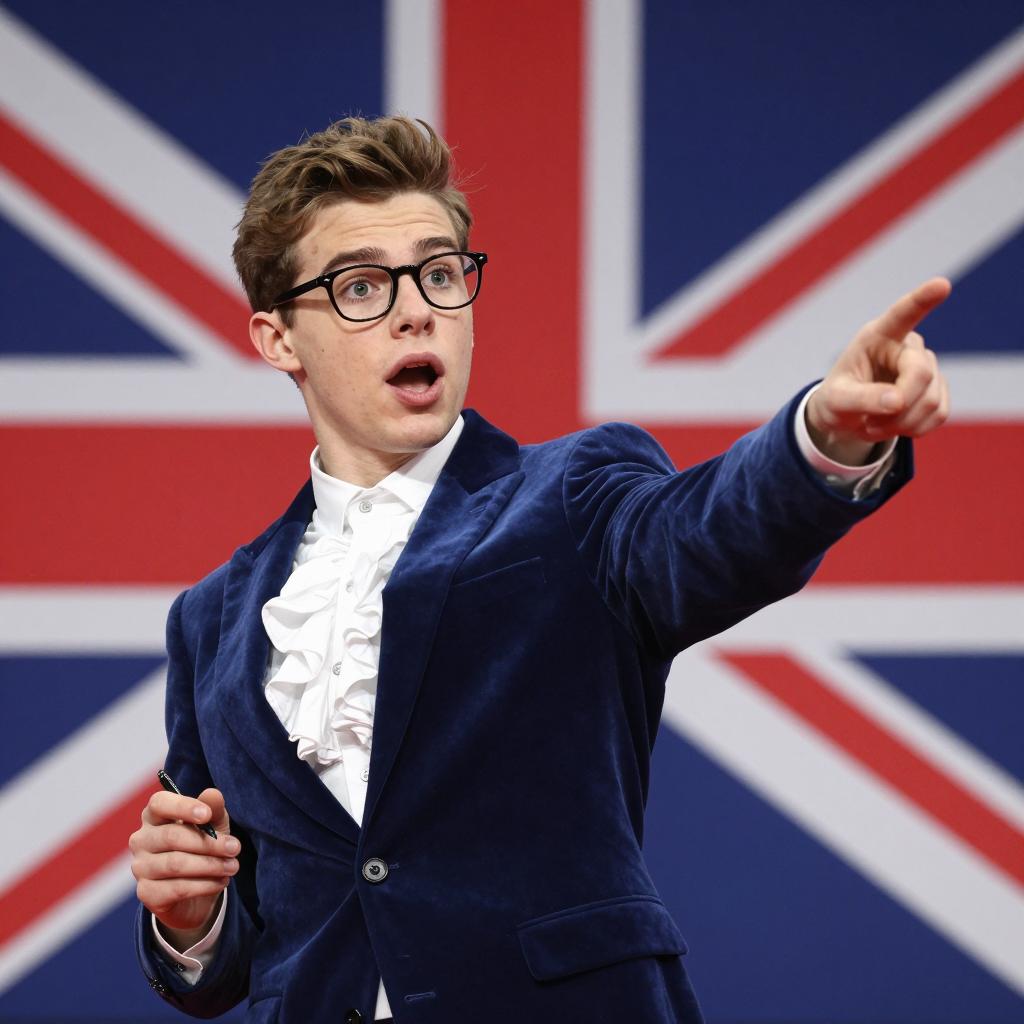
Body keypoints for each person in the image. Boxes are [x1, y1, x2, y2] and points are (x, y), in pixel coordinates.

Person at [129, 116, 950, 1024]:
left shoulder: (572, 494)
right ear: (278, 338)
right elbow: (243, 944)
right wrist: (190, 920)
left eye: (440, 274)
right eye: (361, 286)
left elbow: (708, 533)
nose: (416, 309)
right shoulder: (209, 620)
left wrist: (824, 436)